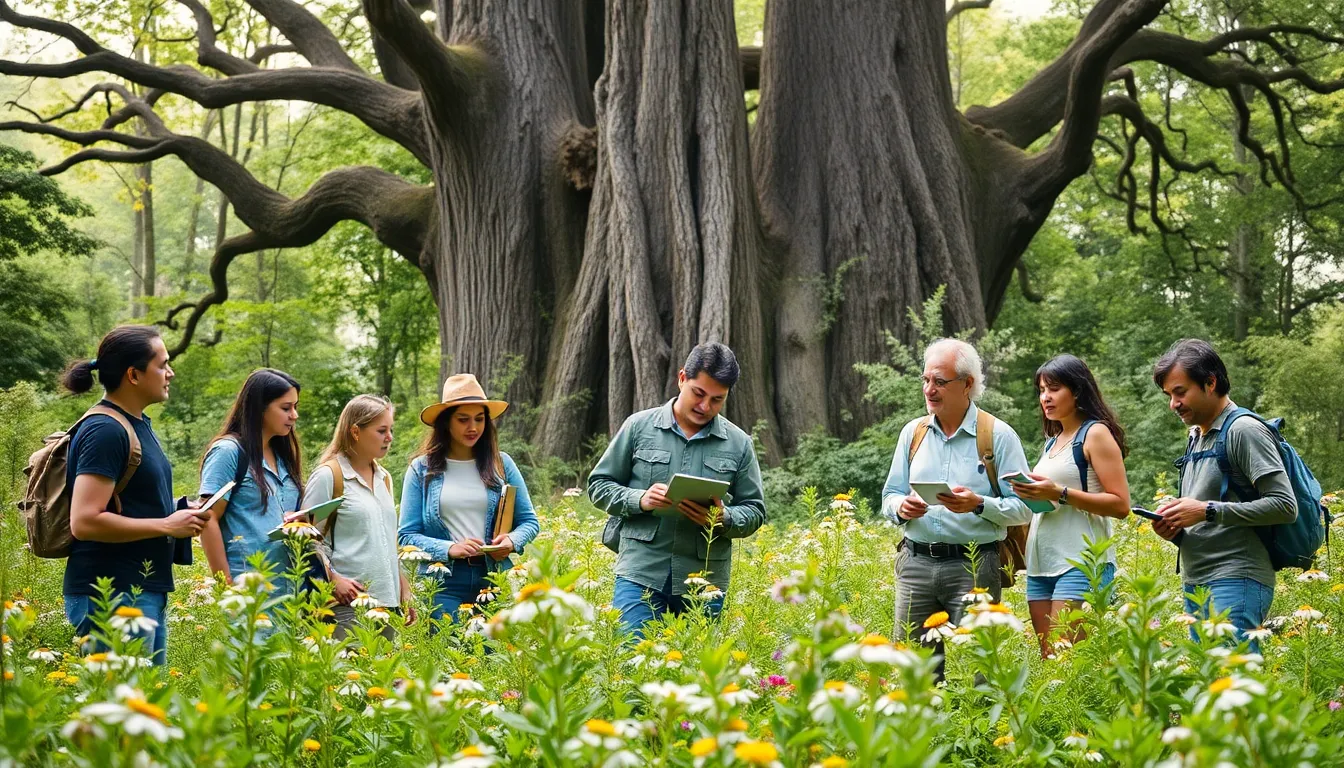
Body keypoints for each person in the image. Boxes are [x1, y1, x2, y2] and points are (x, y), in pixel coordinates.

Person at [588, 342, 767, 639]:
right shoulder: (638, 427)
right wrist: (640, 499)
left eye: (717, 400)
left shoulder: (739, 443)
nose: (704, 406)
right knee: (634, 665)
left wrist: (724, 517)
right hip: (640, 573)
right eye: (699, 393)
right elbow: (598, 486)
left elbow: (755, 510)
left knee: (696, 676)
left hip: (704, 583)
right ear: (682, 378)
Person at [880, 338, 1032, 681]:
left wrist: (978, 504)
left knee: (978, 673)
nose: (929, 389)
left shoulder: (998, 436)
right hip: (916, 565)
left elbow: (1024, 508)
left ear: (967, 385)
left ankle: (979, 735)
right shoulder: (913, 433)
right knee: (912, 674)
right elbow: (890, 495)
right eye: (925, 380)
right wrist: (901, 508)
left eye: (939, 381)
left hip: (975, 567)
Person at [60, 325, 205, 666]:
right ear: (134, 375)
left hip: (139, 590)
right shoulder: (105, 430)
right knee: (120, 711)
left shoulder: (135, 424)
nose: (170, 372)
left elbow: (131, 504)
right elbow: (84, 521)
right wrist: (167, 525)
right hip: (110, 594)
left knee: (144, 704)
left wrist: (180, 511)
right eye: (162, 364)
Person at [1151, 339, 1295, 649]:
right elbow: (1208, 511)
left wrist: (1206, 510)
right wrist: (1174, 529)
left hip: (1236, 578)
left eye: (1180, 392)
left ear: (1210, 382)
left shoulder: (1243, 430)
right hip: (1196, 582)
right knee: (1212, 686)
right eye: (1169, 395)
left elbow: (1284, 505)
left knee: (1235, 683)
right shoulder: (1196, 435)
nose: (1173, 404)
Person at [1008, 355, 1131, 658]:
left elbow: (1120, 504)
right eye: (1041, 390)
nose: (1045, 397)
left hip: (1081, 561)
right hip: (1041, 563)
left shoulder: (1095, 433)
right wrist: (1031, 492)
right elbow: (1052, 498)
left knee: (1070, 660)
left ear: (1076, 391)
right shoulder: (1053, 441)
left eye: (1053, 389)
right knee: (1050, 660)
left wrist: (1060, 492)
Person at [398, 374, 540, 623]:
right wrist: (449, 548)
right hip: (442, 582)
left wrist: (511, 541)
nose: (472, 427)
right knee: (449, 656)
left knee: (494, 657)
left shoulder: (502, 464)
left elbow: (529, 521)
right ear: (446, 423)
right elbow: (406, 536)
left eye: (479, 419)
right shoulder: (421, 469)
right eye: (463, 420)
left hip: (494, 577)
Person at [301, 395, 415, 639]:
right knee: (350, 675)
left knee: (385, 676)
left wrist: (404, 587)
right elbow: (305, 537)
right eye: (381, 430)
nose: (389, 438)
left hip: (388, 603)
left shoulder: (384, 477)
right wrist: (333, 579)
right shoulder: (329, 476)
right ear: (355, 431)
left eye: (390, 430)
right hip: (346, 604)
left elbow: (387, 539)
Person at [198, 369, 305, 594]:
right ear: (260, 408)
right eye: (286, 408)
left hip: (290, 593)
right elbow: (207, 519)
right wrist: (227, 589)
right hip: (247, 591)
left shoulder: (283, 456)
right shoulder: (228, 452)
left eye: (295, 407)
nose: (294, 415)